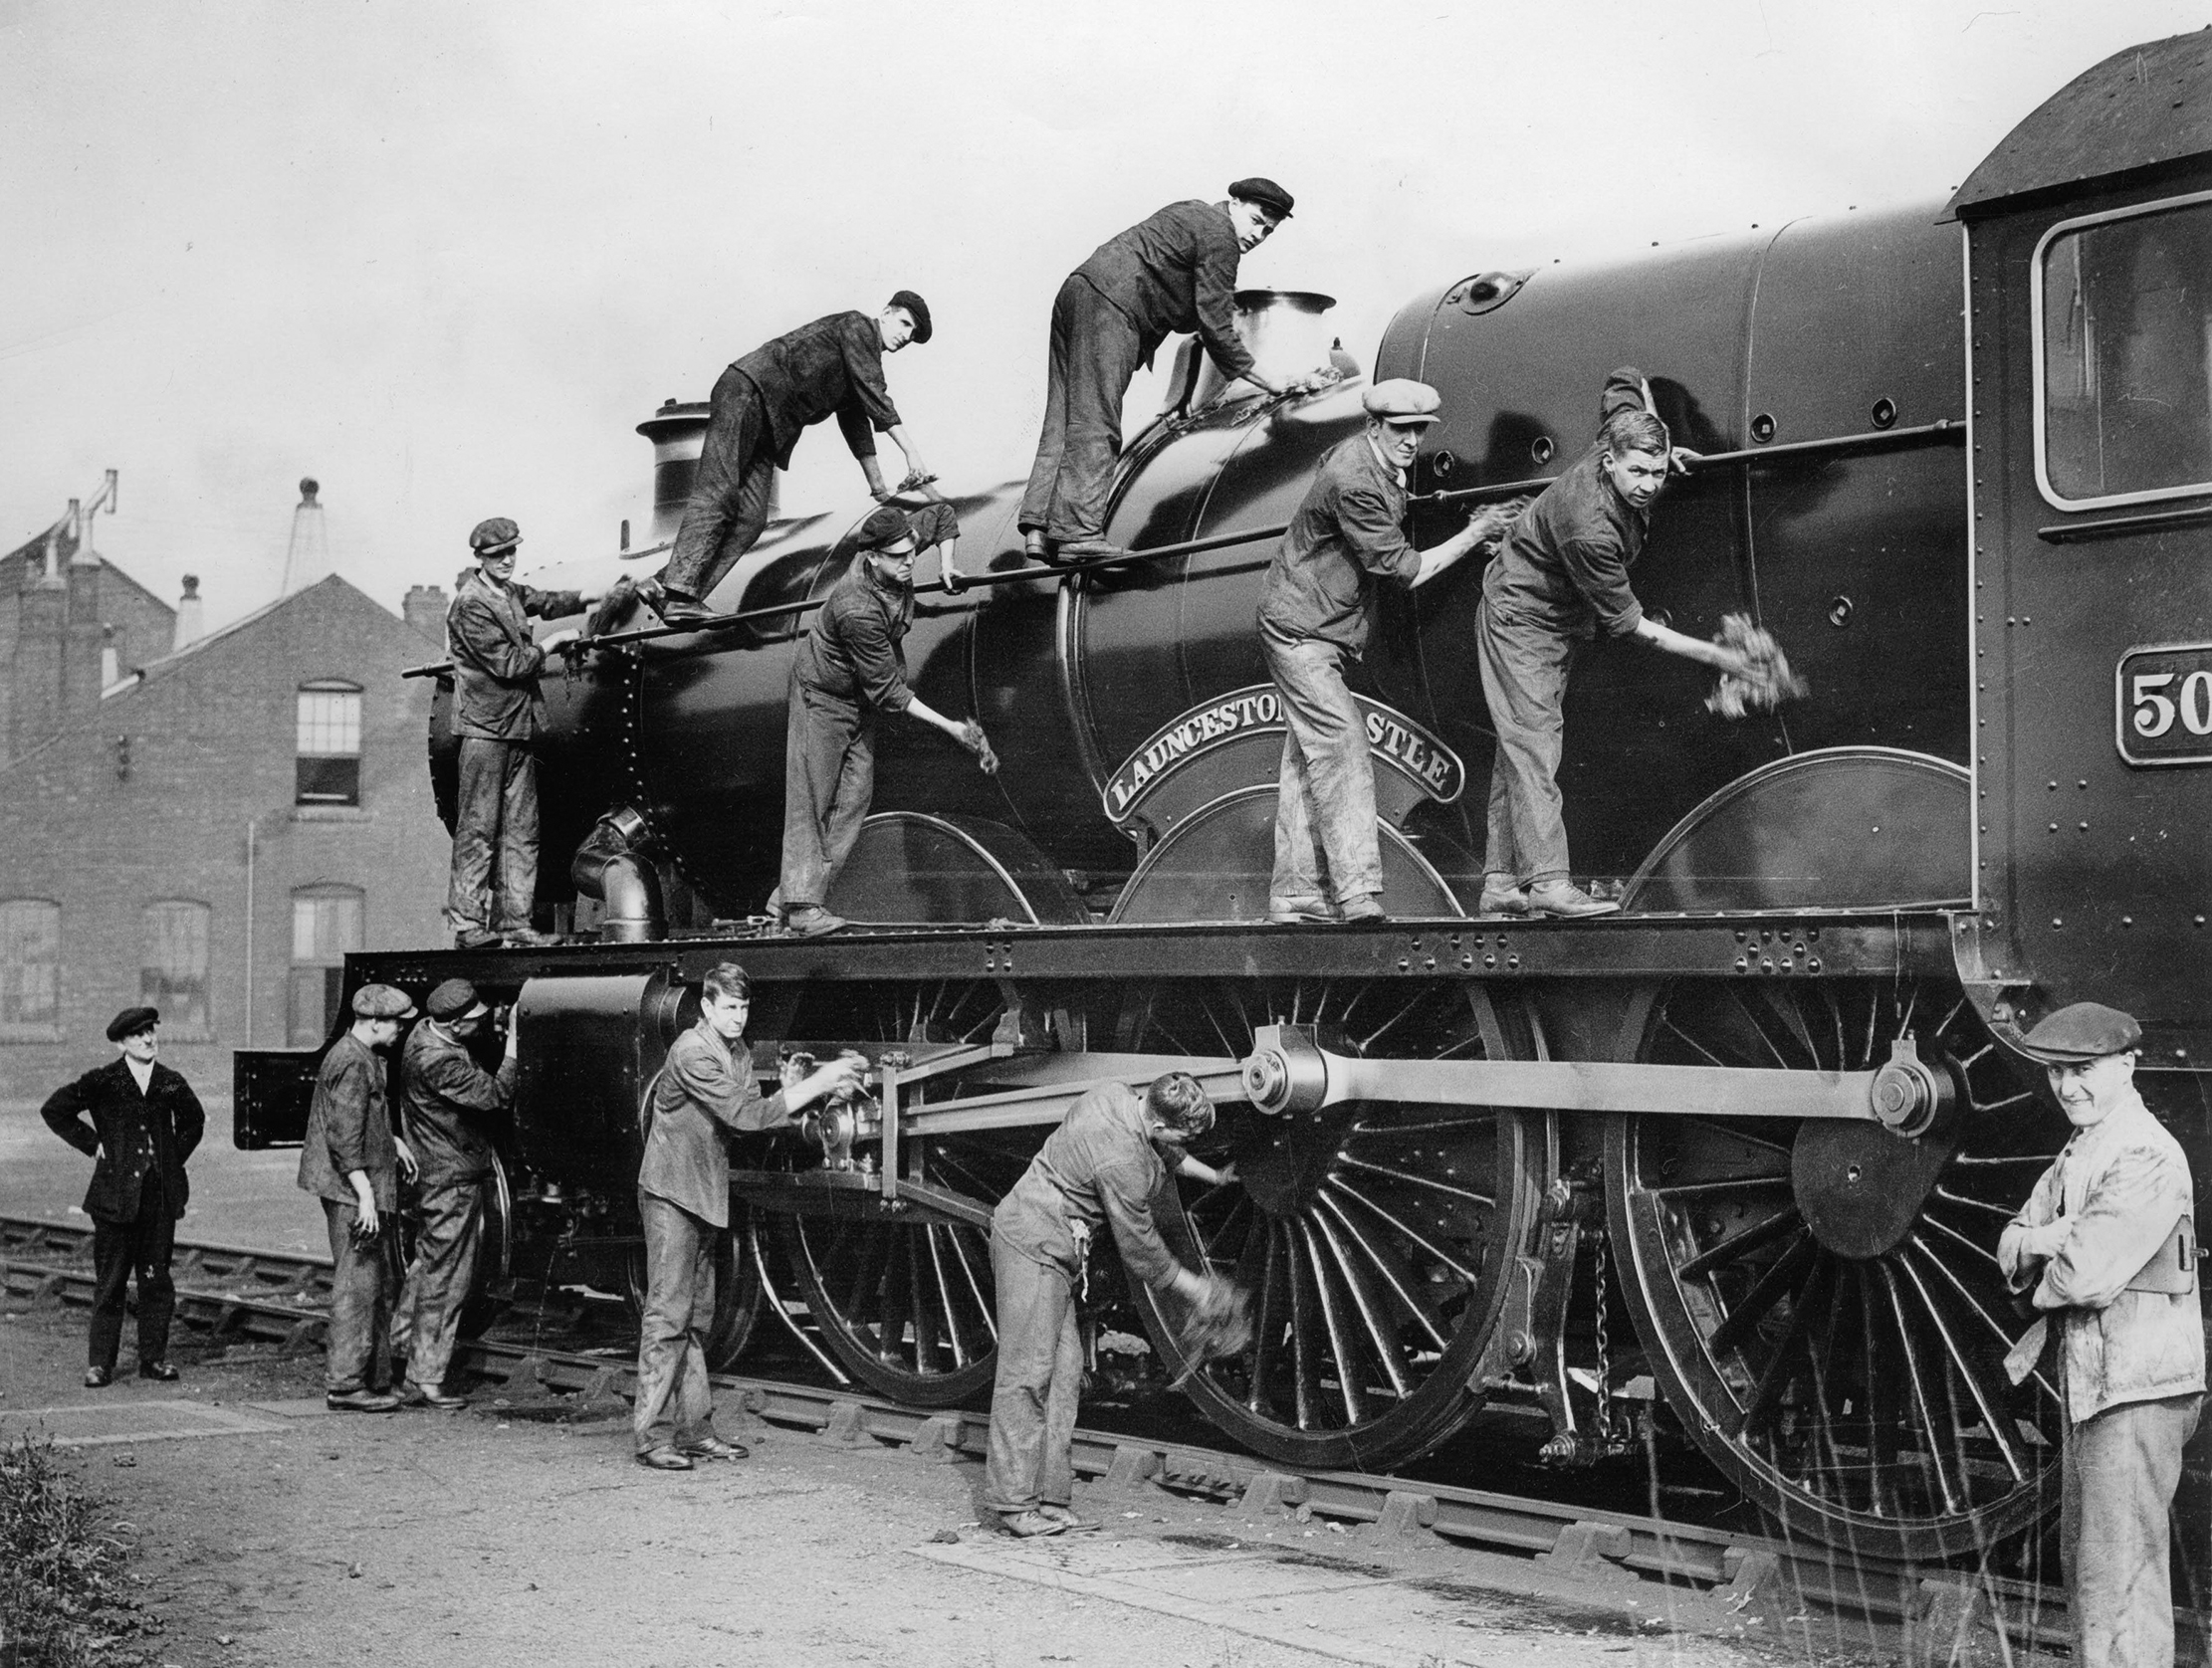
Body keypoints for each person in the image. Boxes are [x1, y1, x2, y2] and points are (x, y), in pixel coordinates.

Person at [1474, 368, 1753, 919]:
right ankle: (1549, 885)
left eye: (1657, 470)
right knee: (1533, 746)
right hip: (1521, 621)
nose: (1650, 484)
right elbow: (1635, 628)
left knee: (1521, 746)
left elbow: (1624, 377)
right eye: (1638, 472)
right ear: (1609, 462)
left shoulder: (1622, 432)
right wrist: (1723, 656)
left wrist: (1664, 439)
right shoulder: (1589, 527)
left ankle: (1501, 883)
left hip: (1554, 619)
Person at [1257, 379, 1521, 926]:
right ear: (1374, 425)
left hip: (1321, 624)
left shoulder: (1369, 460)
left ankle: (1295, 892)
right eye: (1400, 429)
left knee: (1308, 761)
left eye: (1420, 429)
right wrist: (1476, 533)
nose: (1411, 440)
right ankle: (1355, 892)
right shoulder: (1353, 480)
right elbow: (1407, 571)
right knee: (1343, 744)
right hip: (1300, 627)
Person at [1998, 1002, 2202, 1668]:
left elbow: (2081, 1277)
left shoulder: (2142, 1152)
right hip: (2097, 1385)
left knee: (2117, 1581)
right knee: (2092, 1571)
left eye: (2082, 1070)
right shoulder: (2083, 1149)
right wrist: (2044, 1240)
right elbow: (2008, 1242)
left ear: (2126, 1065)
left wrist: (2042, 1257)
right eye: (2056, 1073)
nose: (2067, 1088)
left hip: (2136, 1389)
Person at [633, 961, 863, 1470]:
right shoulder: (692, 1052)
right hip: (672, 1195)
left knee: (697, 1319)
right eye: (729, 1008)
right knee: (667, 1316)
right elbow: (745, 1116)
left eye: (744, 1008)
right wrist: (819, 1081)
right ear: (708, 1007)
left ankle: (694, 1431)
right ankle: (650, 1438)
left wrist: (791, 1088)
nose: (738, 1017)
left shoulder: (733, 1050)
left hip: (702, 1193)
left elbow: (751, 1113)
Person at [984, 1072, 1222, 1538]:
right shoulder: (1121, 1160)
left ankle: (1050, 1497)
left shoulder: (1116, 1095)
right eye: (1185, 1134)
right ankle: (1013, 1504)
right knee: (1027, 1374)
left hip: (1054, 1248)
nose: (1188, 1142)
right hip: (1032, 1245)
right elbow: (1142, 1249)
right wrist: (1198, 1289)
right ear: (1158, 1125)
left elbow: (1164, 1150)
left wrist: (1215, 1176)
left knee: (1066, 1370)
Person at [1022, 179, 1309, 563]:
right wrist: (1269, 381)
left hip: (1080, 290)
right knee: (1097, 419)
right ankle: (1077, 533)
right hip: (1113, 305)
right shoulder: (1220, 235)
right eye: (1257, 221)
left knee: (1063, 414)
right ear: (1235, 202)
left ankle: (1041, 527)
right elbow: (1215, 330)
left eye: (1269, 231)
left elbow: (1181, 300)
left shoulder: (1192, 213)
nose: (1259, 235)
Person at [643, 294, 939, 625]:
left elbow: (858, 425)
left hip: (772, 425)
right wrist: (911, 452)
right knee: (720, 493)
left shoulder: (860, 363)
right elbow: (875, 395)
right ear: (885, 313)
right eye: (904, 324)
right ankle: (681, 595)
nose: (905, 336)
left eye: (912, 334)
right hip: (750, 391)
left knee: (752, 518)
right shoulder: (857, 327)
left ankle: (663, 586)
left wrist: (879, 488)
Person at [774, 503, 995, 938]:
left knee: (855, 795)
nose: (911, 561)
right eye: (899, 557)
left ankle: (792, 898)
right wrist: (953, 728)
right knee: (813, 798)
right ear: (872, 557)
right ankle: (800, 908)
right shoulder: (856, 608)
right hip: (823, 698)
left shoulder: (899, 541)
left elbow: (944, 515)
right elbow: (890, 692)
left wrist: (948, 565)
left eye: (912, 552)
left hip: (858, 697)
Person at [446, 517, 596, 949]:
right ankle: (467, 926)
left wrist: (597, 594)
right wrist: (551, 644)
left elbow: (545, 600)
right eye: (498, 555)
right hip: (485, 733)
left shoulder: (509, 592)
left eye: (512, 552)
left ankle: (514, 923)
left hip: (516, 728)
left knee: (521, 830)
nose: (508, 560)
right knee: (477, 830)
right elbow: (510, 665)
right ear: (480, 558)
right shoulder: (471, 604)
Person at [40, 1007, 206, 1387]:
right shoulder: (104, 1081)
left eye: (151, 1032)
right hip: (114, 1199)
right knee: (111, 1281)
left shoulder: (169, 1082)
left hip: (158, 1200)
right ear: (121, 1042)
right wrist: (93, 1143)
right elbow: (55, 1110)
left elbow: (193, 1122)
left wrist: (170, 1158)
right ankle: (100, 1363)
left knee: (156, 1280)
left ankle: (154, 1359)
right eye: (138, 1035)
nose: (148, 1040)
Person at [297, 983, 419, 1413]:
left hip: (360, 1183)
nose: (400, 1032)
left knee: (379, 1281)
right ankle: (346, 1386)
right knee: (357, 1286)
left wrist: (392, 1140)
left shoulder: (362, 1055)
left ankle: (376, 1379)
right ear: (373, 1022)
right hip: (351, 1189)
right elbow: (343, 1137)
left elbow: (363, 1119)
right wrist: (365, 1196)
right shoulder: (351, 1061)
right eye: (396, 1025)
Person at [393, 978, 515, 1409]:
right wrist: (514, 1048)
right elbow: (496, 1095)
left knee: (427, 1266)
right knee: (449, 1277)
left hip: (435, 1172)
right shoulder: (437, 1060)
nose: (483, 1025)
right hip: (451, 1178)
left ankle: (398, 1353)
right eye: (477, 1021)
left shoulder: (423, 1034)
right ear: (456, 1025)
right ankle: (425, 1377)